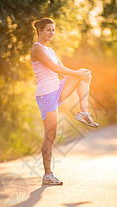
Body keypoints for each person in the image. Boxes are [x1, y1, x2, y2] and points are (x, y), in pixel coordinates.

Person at [30, 17, 99, 186]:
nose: (51, 33)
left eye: (53, 30)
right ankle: (47, 174)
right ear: (39, 30)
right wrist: (76, 74)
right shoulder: (36, 49)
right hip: (46, 96)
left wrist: (78, 74)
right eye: (48, 30)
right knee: (50, 135)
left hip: (57, 89)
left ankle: (84, 112)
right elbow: (56, 68)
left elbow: (61, 70)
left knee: (83, 73)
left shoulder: (51, 51)